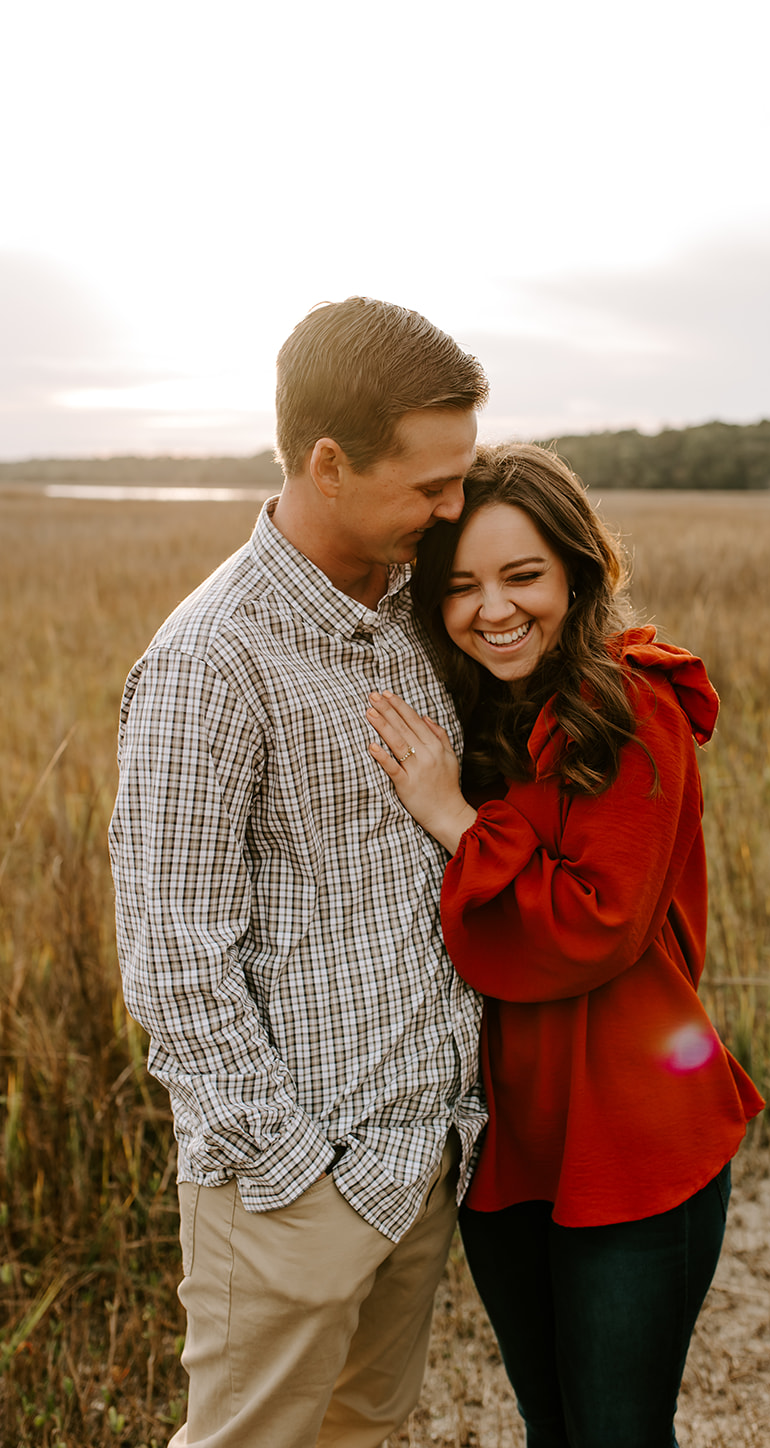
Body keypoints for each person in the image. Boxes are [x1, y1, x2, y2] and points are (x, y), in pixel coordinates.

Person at [109, 297, 491, 1448]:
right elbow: (174, 964)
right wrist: (293, 1176)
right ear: (328, 462)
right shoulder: (207, 662)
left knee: (363, 1436)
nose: (456, 508)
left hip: (422, 1156)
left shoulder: (418, 612)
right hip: (293, 1189)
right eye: (430, 485)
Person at [365, 442, 764, 1448]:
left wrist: (458, 822)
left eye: (523, 575)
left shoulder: (631, 707)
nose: (494, 608)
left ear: (579, 572)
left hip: (633, 1137)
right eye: (461, 585)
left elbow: (595, 923)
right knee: (555, 1430)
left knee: (619, 1435)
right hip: (512, 1142)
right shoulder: (482, 713)